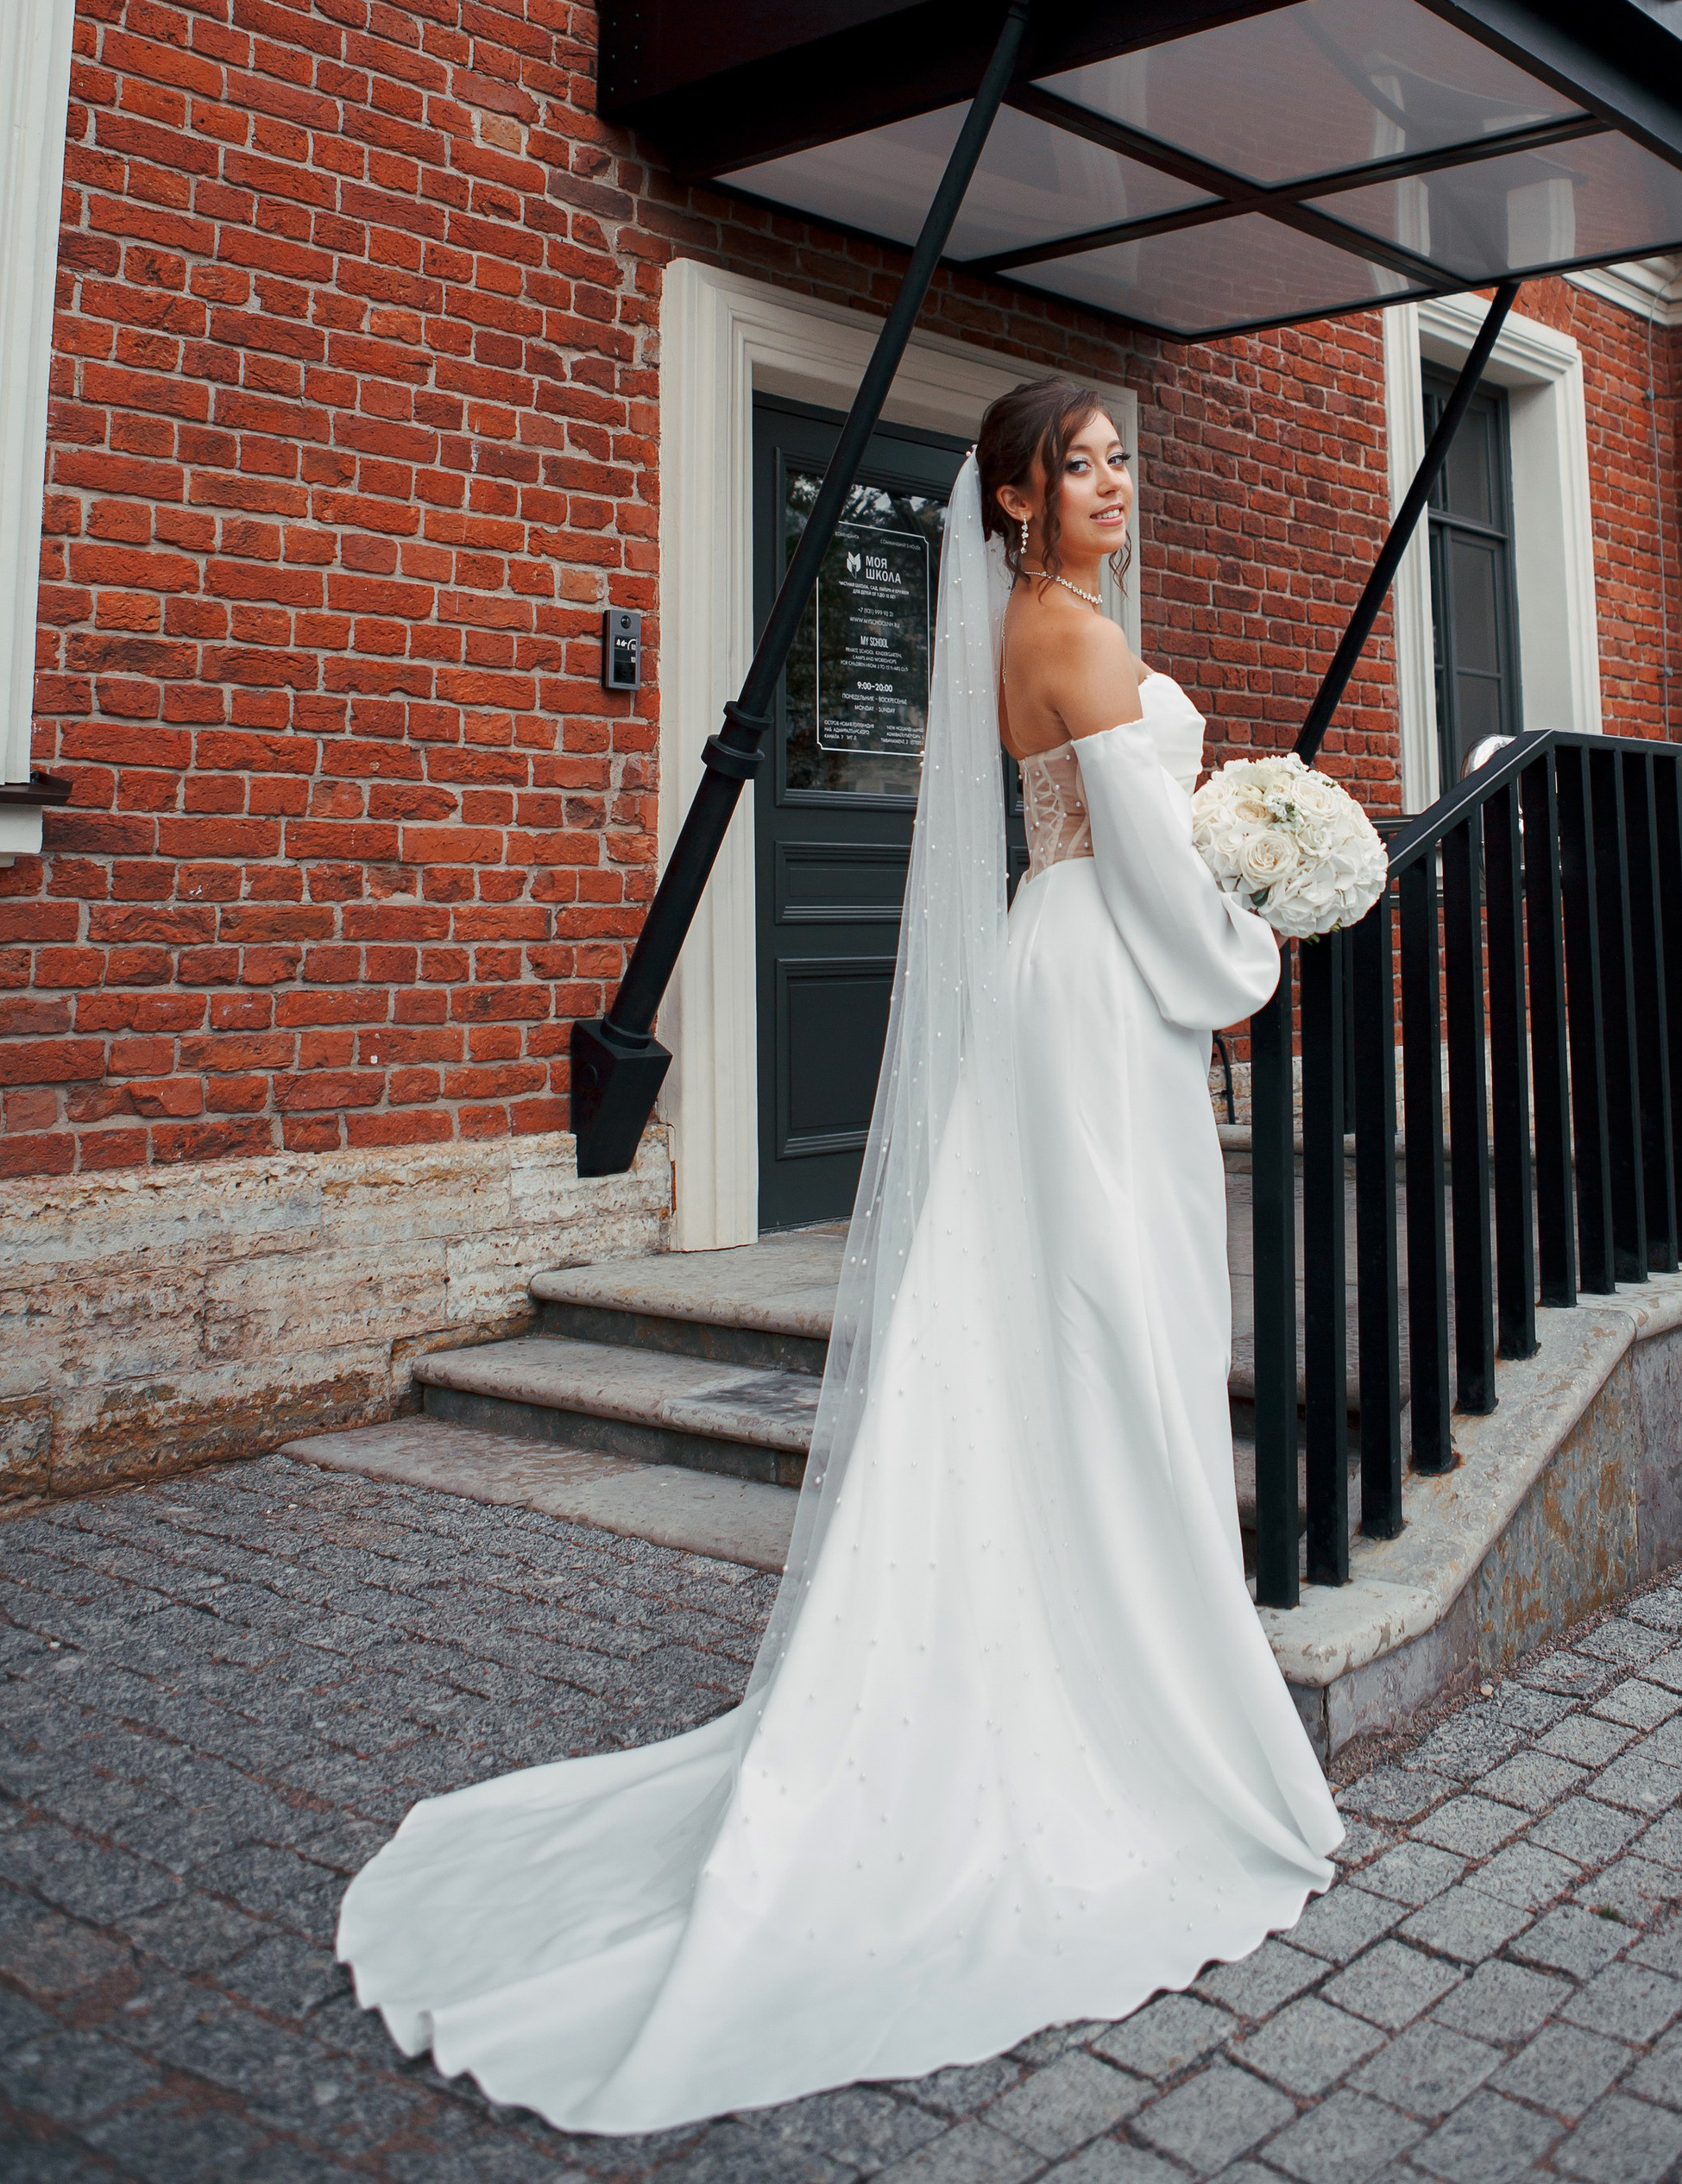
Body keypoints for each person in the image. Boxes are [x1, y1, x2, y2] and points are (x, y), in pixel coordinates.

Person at [336, 381, 1340, 2131]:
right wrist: (1264, 923)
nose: (1110, 484)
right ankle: (1125, 1689)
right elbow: (1166, 907)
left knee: (1053, 1325)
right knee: (1110, 1323)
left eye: (1120, 460)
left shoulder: (1041, 626)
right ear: (1014, 500)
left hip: (1055, 987)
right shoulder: (1077, 645)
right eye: (1077, 466)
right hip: (1103, 1000)